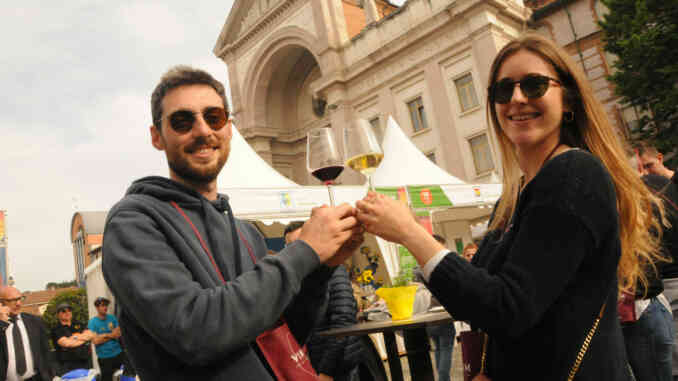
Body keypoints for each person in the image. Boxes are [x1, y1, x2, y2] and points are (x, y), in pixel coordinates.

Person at [356, 33, 666, 380]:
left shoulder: (573, 174)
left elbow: (507, 307)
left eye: (534, 85)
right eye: (503, 90)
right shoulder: (518, 192)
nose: (516, 99)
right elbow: (480, 298)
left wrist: (411, 234)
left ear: (568, 100)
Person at [102, 65, 362, 380]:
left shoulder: (246, 233)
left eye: (214, 118)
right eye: (182, 121)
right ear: (157, 136)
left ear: (228, 129)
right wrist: (304, 250)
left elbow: (282, 334)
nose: (202, 131)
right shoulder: (133, 222)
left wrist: (320, 269)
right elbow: (196, 332)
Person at [284, 221, 364, 381]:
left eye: (300, 243)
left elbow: (344, 321)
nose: (296, 251)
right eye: (290, 246)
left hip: (338, 367)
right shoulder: (299, 277)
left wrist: (327, 371)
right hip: (315, 364)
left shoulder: (332, 270)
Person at [0, 286, 57, 381]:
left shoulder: (35, 322)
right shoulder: (1, 326)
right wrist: (2, 323)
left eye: (19, 298)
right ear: (1, 303)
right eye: (12, 300)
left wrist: (51, 375)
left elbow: (46, 351)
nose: (18, 303)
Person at [424, 234, 455, 381]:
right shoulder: (443, 265)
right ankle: (443, 379)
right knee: (446, 348)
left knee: (438, 348)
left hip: (430, 314)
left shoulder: (423, 265)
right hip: (443, 314)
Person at [88, 297, 126, 381]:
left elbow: (118, 334)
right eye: (102, 305)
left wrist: (103, 335)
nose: (105, 307)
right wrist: (111, 335)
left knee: (123, 378)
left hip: (118, 353)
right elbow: (95, 341)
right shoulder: (92, 322)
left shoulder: (112, 318)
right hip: (105, 357)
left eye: (106, 305)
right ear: (97, 308)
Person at [51, 302, 94, 375]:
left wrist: (74, 337)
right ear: (58, 314)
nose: (67, 312)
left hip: (85, 363)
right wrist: (83, 338)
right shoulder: (56, 329)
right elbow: (67, 343)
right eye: (64, 311)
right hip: (68, 367)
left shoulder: (79, 324)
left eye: (69, 310)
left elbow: (90, 335)